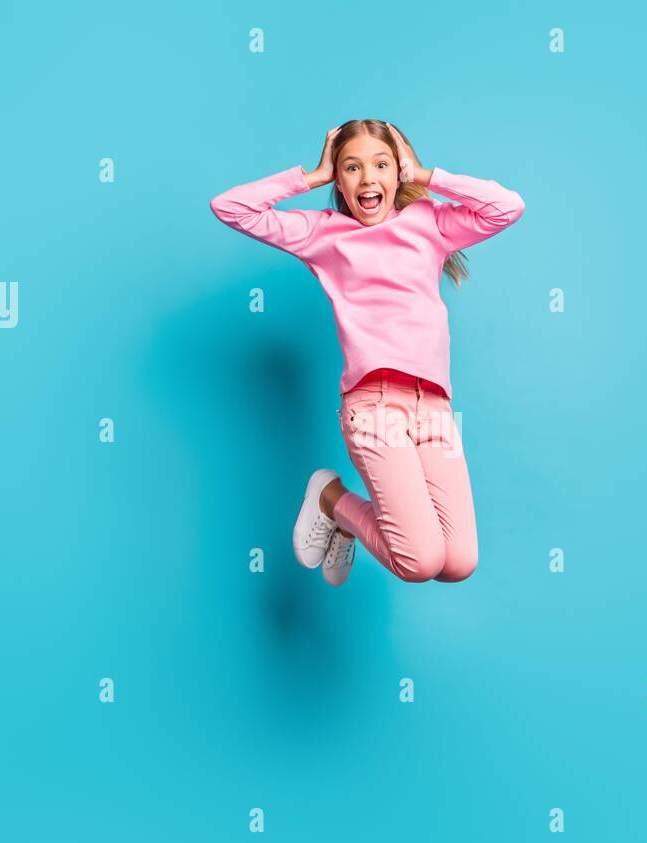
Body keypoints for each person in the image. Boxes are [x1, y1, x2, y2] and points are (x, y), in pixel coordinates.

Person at [209, 119, 525, 586]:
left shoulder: (431, 222)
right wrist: (309, 177)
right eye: (351, 168)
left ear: (399, 173)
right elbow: (231, 207)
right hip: (374, 407)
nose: (367, 178)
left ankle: (339, 511)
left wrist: (428, 175)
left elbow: (508, 207)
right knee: (419, 562)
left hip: (434, 409)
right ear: (339, 181)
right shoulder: (324, 234)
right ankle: (331, 496)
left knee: (458, 562)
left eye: (381, 165)